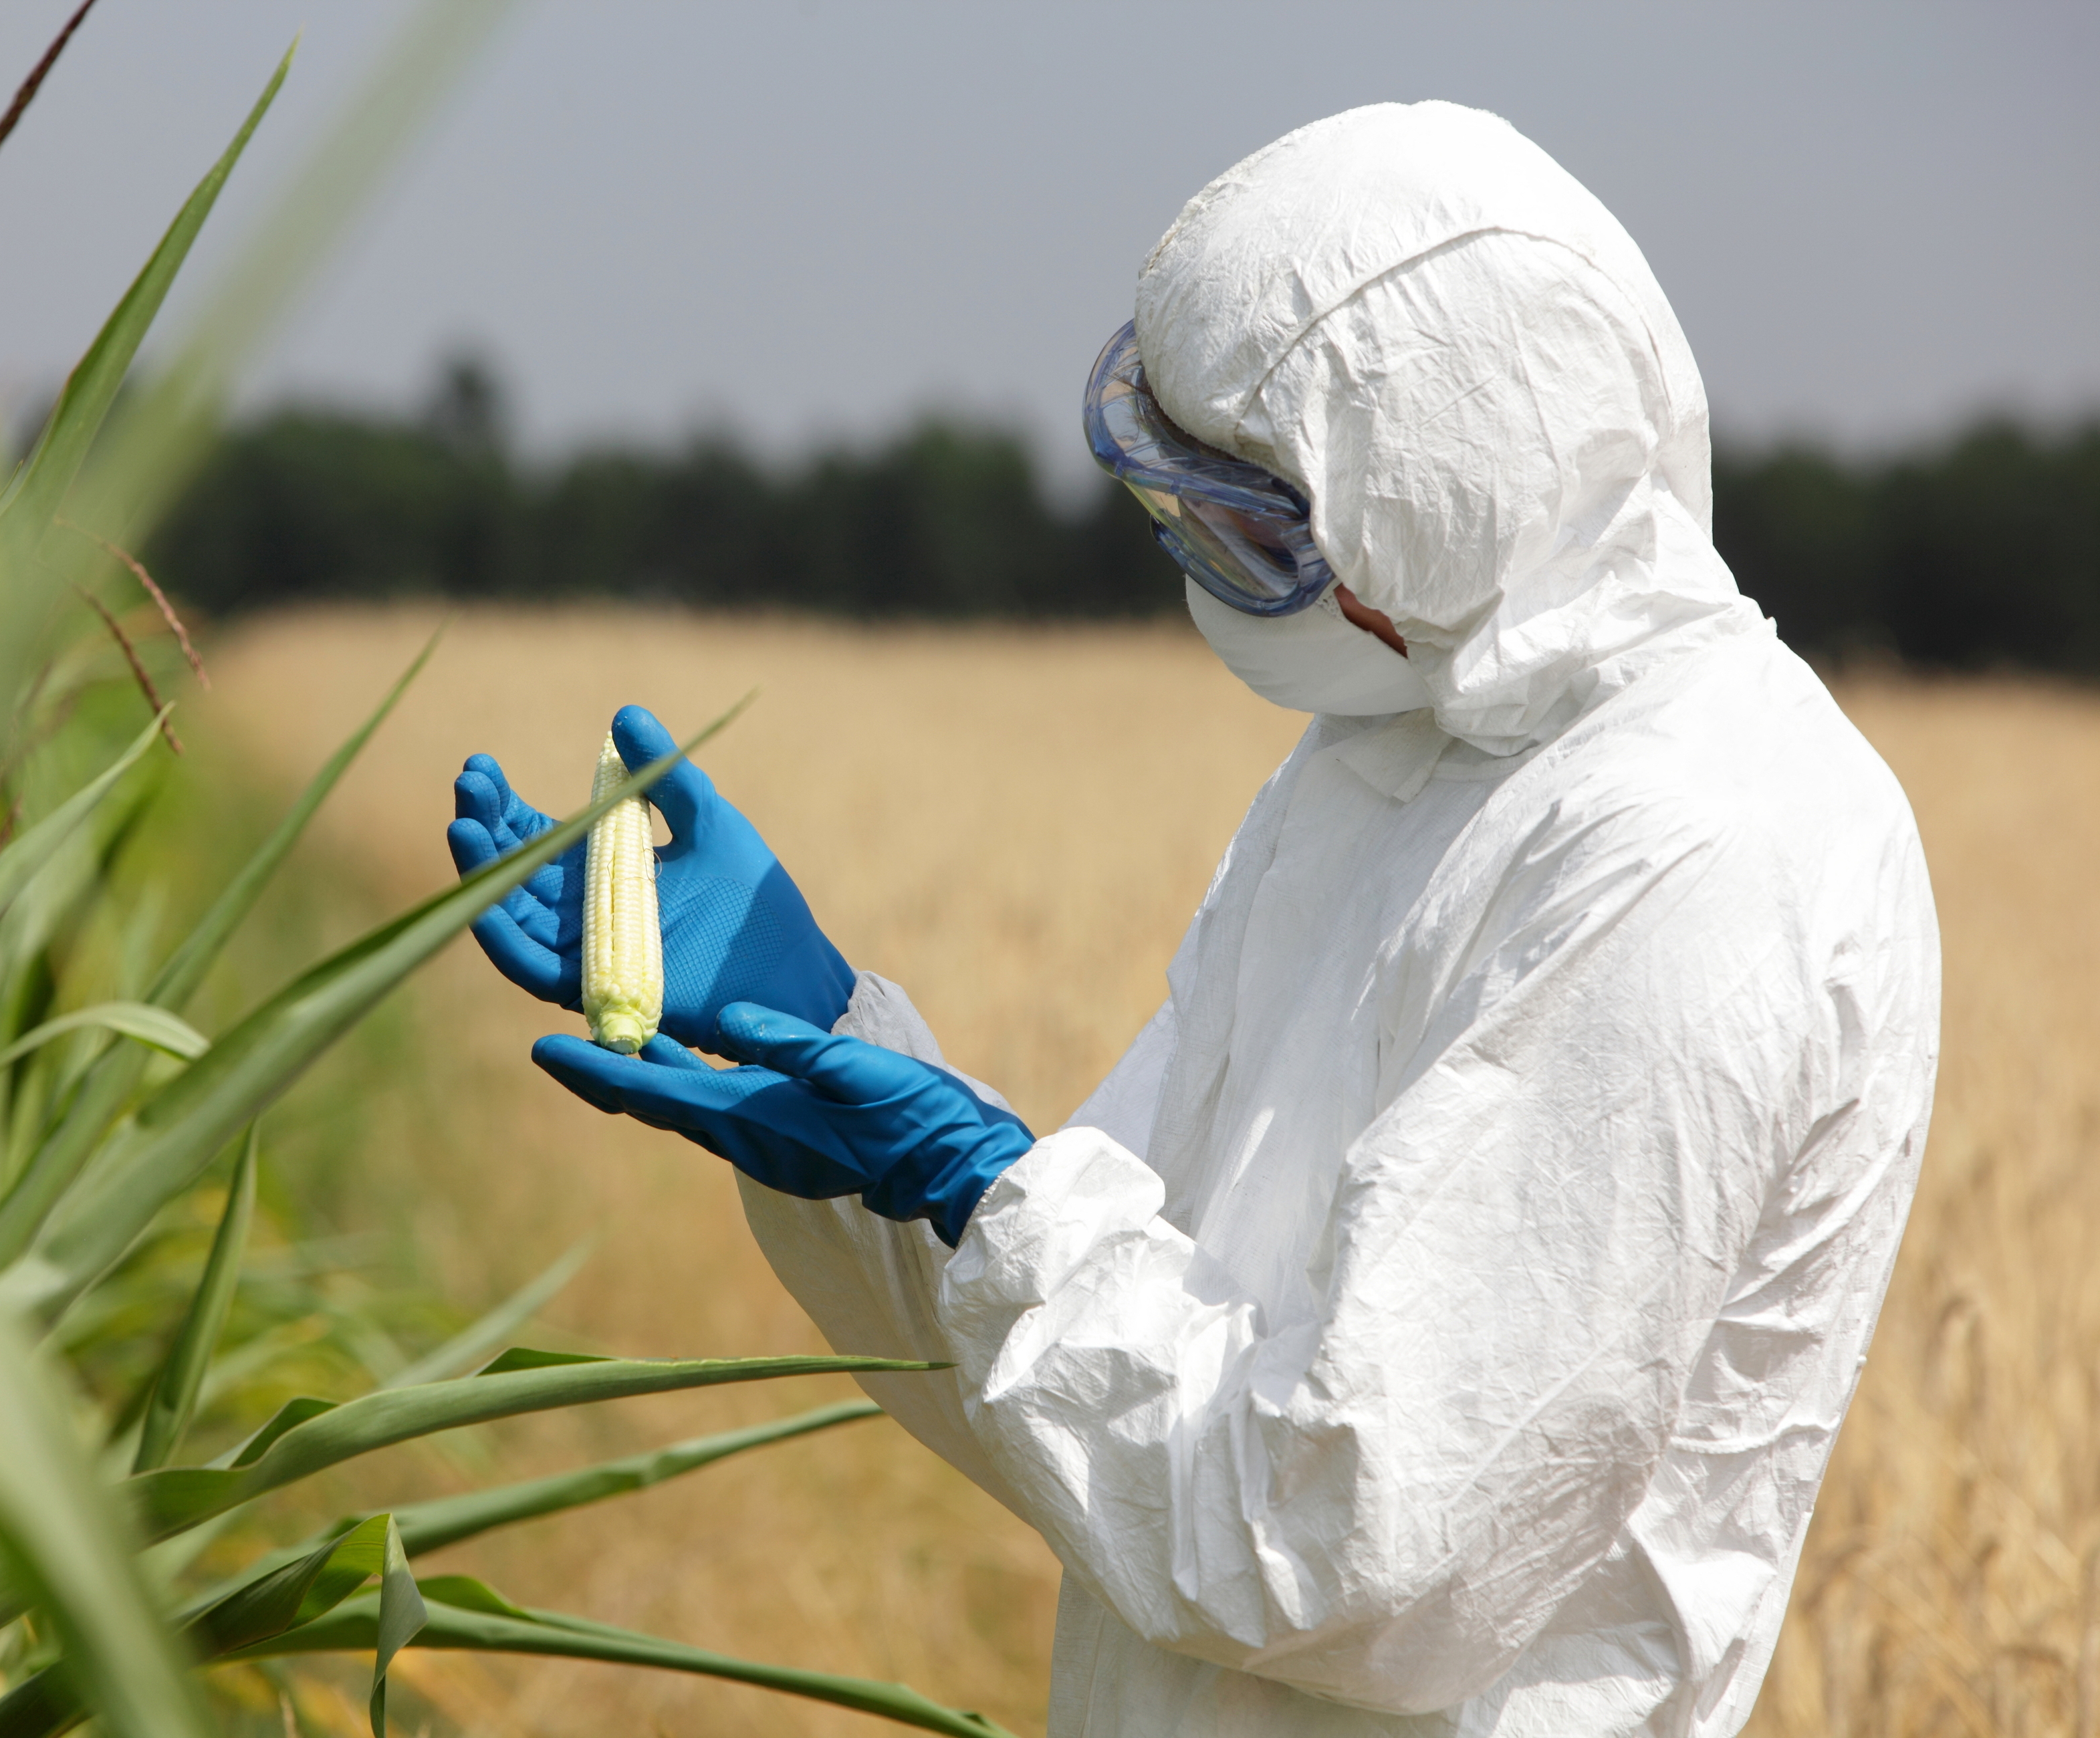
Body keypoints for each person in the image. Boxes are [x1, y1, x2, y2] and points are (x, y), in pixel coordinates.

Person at [445, 101, 1938, 1737]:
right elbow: (1096, 1404)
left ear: (1445, 491)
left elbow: (1353, 1554)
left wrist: (977, 1188)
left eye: (1250, 526)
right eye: (1178, 516)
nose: (1207, 572)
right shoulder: (1383, 761)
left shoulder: (1705, 844)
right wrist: (832, 1061)